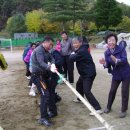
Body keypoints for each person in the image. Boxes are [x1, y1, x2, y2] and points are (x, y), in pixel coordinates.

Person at [99, 33, 130, 118]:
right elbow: (108, 64)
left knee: (124, 91)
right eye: (109, 40)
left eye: (113, 40)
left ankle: (124, 110)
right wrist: (104, 63)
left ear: (116, 41)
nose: (111, 42)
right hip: (116, 74)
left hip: (126, 73)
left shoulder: (121, 49)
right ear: (107, 42)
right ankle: (108, 107)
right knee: (112, 91)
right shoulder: (107, 52)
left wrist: (116, 60)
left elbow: (124, 60)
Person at [69, 37, 102, 115]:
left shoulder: (82, 51)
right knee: (79, 84)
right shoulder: (80, 49)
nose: (74, 45)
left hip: (88, 74)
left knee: (87, 91)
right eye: (73, 43)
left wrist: (73, 54)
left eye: (76, 43)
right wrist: (74, 53)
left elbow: (71, 59)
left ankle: (98, 108)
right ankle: (79, 98)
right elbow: (73, 56)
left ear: (80, 42)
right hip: (84, 73)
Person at [31, 36, 57, 127]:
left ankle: (53, 111)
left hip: (45, 75)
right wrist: (50, 67)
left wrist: (53, 64)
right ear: (45, 42)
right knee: (45, 95)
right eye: (50, 44)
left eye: (51, 45)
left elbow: (52, 58)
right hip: (38, 76)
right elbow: (41, 62)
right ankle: (43, 118)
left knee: (50, 92)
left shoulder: (47, 51)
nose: (51, 46)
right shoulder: (39, 50)